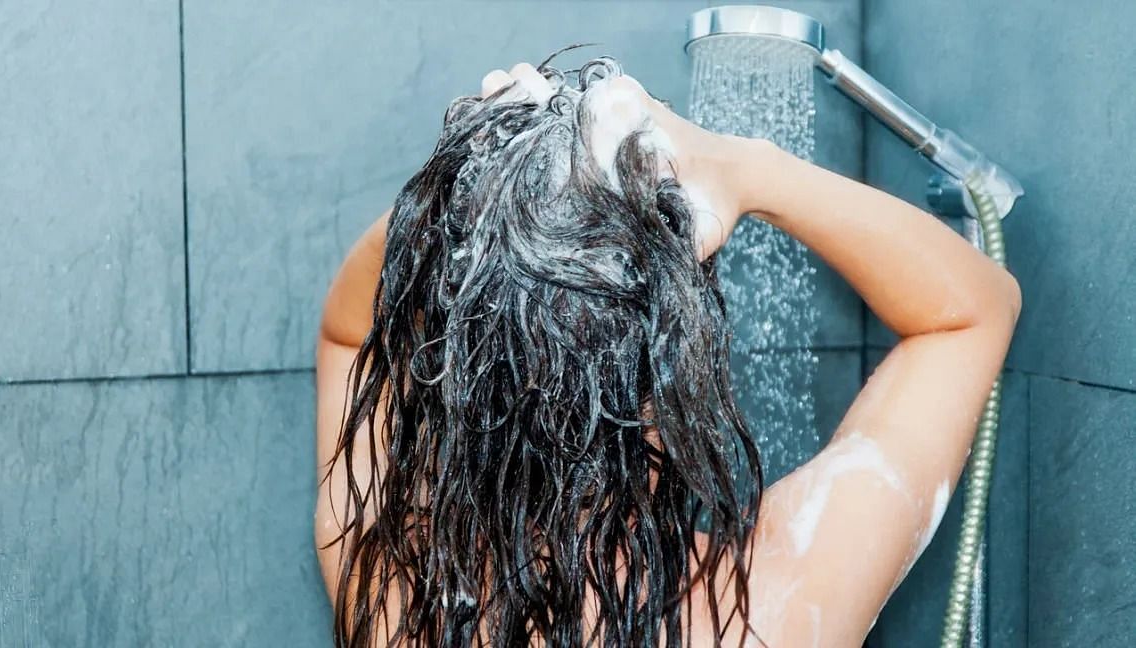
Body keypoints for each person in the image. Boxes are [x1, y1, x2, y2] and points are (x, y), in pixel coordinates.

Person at [312, 54, 1022, 647]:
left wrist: (473, 182)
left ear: (465, 375)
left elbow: (348, 333)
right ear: (676, 367)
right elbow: (969, 312)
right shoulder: (773, 605)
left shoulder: (394, 594)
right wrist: (746, 170)